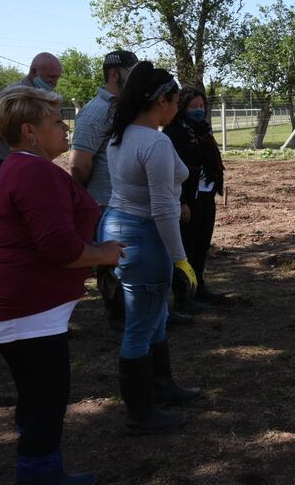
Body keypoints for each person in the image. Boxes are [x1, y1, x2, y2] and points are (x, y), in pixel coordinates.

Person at [0, 86, 124, 485]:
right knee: (46, 401)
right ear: (29, 130)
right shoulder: (35, 171)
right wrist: (105, 253)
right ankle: (40, 477)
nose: (66, 128)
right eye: (57, 121)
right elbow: (59, 248)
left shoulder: (19, 165)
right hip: (23, 306)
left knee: (36, 397)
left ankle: (46, 472)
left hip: (19, 304)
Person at [99, 62, 201, 434]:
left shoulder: (121, 135)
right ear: (162, 100)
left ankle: (163, 388)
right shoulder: (154, 142)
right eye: (175, 100)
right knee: (141, 325)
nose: (179, 106)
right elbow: (162, 208)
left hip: (119, 224)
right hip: (143, 233)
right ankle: (141, 414)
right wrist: (180, 259)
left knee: (154, 316)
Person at [69, 50, 138, 332]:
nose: (136, 78)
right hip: (104, 204)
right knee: (112, 261)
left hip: (127, 201)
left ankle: (140, 313)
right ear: (115, 73)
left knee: (133, 259)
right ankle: (120, 319)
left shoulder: (126, 109)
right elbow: (79, 165)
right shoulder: (94, 112)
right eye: (131, 72)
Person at [163, 85, 227, 308]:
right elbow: (171, 170)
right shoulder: (174, 133)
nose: (199, 110)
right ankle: (183, 295)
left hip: (207, 195)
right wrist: (180, 202)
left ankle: (199, 286)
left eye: (202, 106)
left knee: (202, 244)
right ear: (183, 107)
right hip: (187, 199)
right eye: (193, 106)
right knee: (185, 247)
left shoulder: (204, 130)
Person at [0, 52, 63, 183]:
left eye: (57, 78)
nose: (54, 82)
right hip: (4, 164)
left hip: (30, 163)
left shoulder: (42, 96)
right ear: (33, 72)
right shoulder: (13, 96)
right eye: (50, 77)